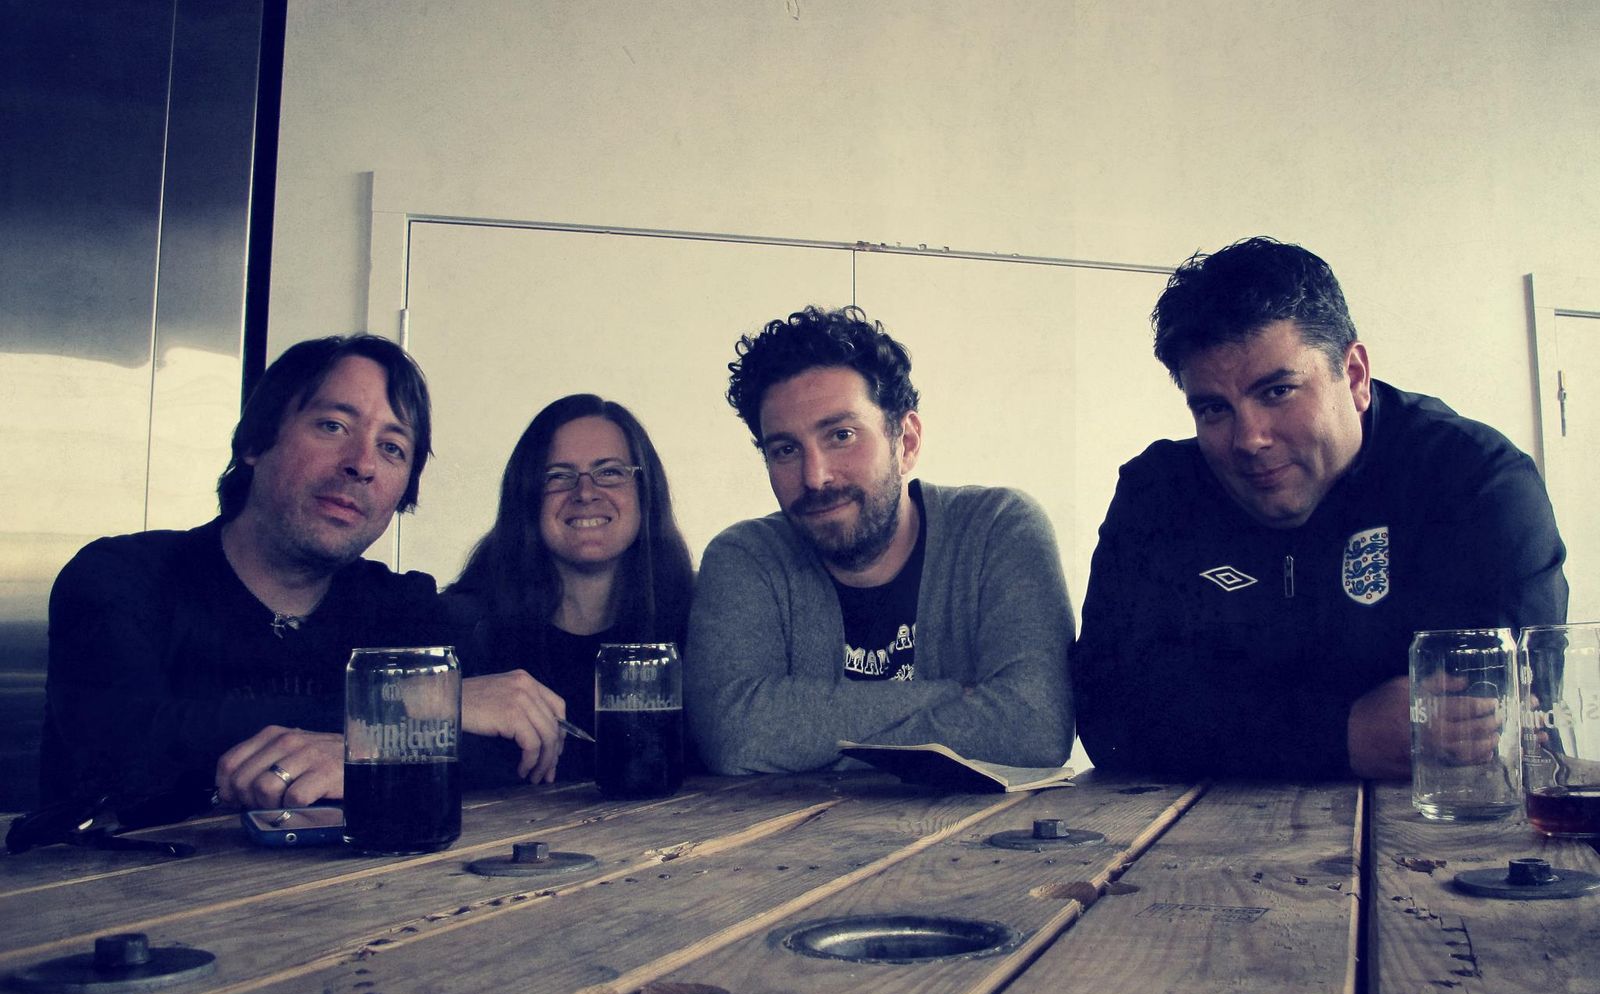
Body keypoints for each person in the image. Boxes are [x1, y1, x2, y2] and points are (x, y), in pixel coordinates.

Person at [1074, 237, 1568, 781]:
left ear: (1353, 376)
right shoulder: (1158, 494)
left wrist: (1225, 712)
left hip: (1439, 827)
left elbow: (1491, 722)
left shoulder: (1474, 480)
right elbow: (1109, 716)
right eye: (1214, 408)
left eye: (1277, 392)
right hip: (1196, 828)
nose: (1249, 439)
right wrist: (1343, 732)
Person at [40, 334, 570, 818]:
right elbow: (121, 743)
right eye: (333, 426)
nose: (362, 463)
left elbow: (507, 748)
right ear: (255, 442)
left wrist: (358, 748)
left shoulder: (404, 606)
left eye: (392, 448)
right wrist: (411, 709)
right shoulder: (122, 577)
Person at [685, 305, 1075, 775]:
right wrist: (957, 694)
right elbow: (734, 734)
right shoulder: (746, 557)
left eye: (842, 435)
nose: (815, 476)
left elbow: (1035, 726)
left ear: (906, 441)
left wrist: (808, 735)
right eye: (786, 449)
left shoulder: (997, 529)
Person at [442, 394, 695, 780]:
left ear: (646, 492)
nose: (586, 492)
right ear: (526, 496)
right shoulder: (461, 626)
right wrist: (447, 701)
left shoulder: (700, 620)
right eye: (558, 476)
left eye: (610, 472)